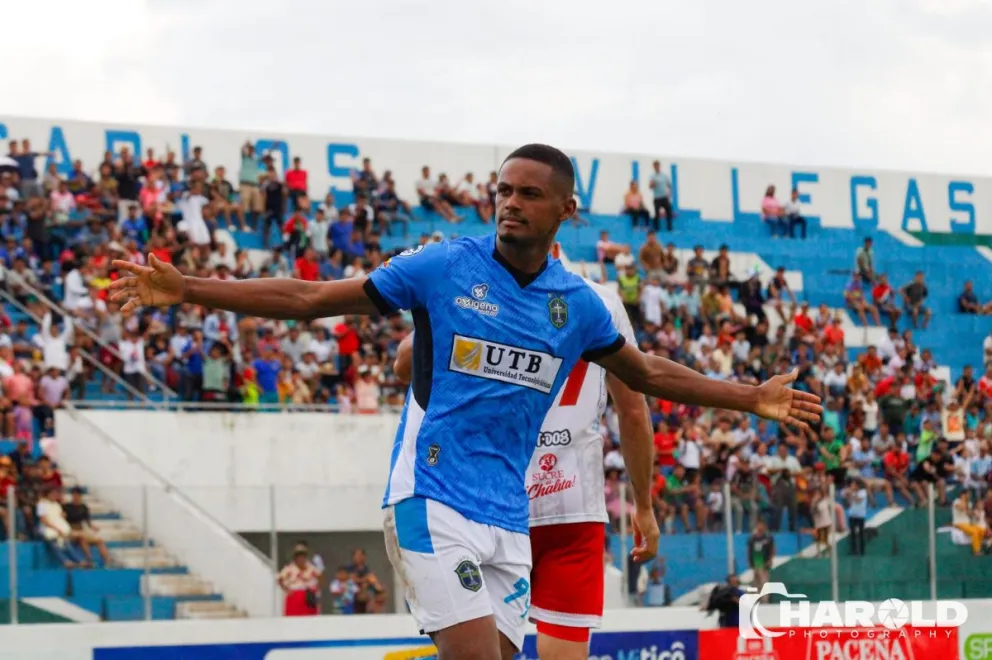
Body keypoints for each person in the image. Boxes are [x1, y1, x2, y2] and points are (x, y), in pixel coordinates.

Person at [110, 144, 821, 660]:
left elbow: (647, 377)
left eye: (529, 193)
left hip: (508, 519)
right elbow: (311, 299)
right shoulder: (445, 265)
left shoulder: (577, 306)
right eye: (503, 190)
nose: (511, 201)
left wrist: (748, 397)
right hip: (432, 498)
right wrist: (191, 289)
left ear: (566, 211)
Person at [394, 242, 658, 660]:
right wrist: (643, 504)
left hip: (490, 496)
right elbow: (633, 411)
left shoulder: (484, 288)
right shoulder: (602, 303)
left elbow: (404, 364)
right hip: (569, 506)